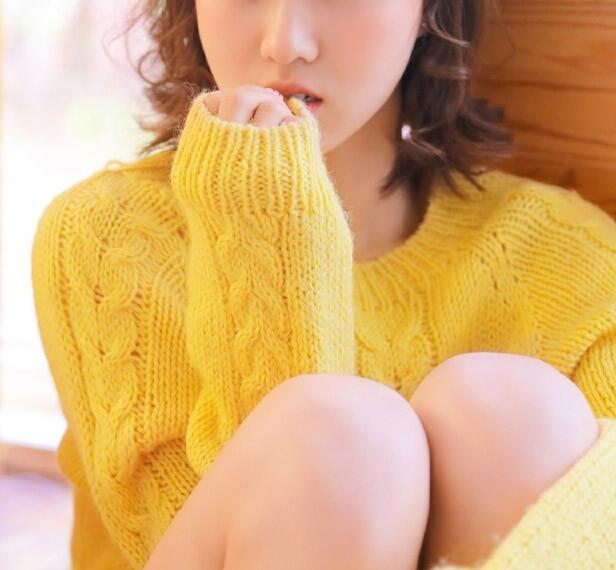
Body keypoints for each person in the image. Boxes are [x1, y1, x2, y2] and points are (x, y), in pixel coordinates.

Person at [31, 0, 616, 569]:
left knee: (511, 411)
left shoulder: (567, 256)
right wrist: (262, 221)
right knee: (340, 434)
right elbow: (270, 522)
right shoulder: (110, 236)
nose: (284, 43)